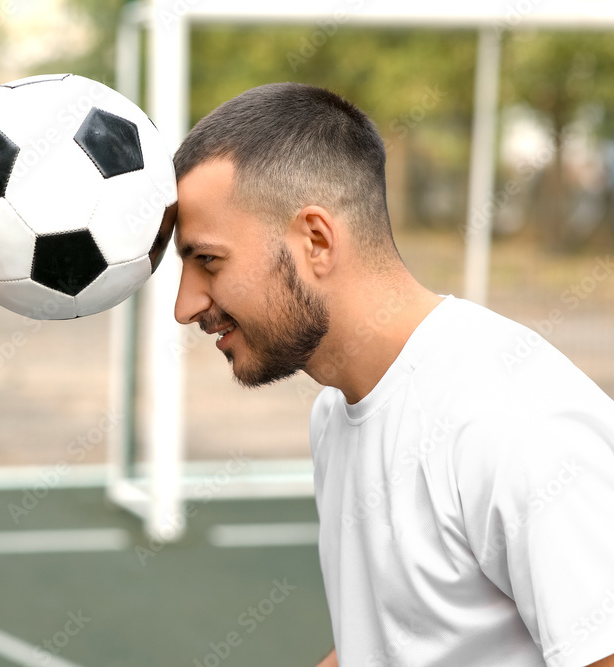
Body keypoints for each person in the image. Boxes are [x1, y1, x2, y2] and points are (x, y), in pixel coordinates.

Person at [172, 82, 614, 667]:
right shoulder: (336, 411)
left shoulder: (513, 422)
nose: (185, 306)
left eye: (207, 260)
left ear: (317, 240)